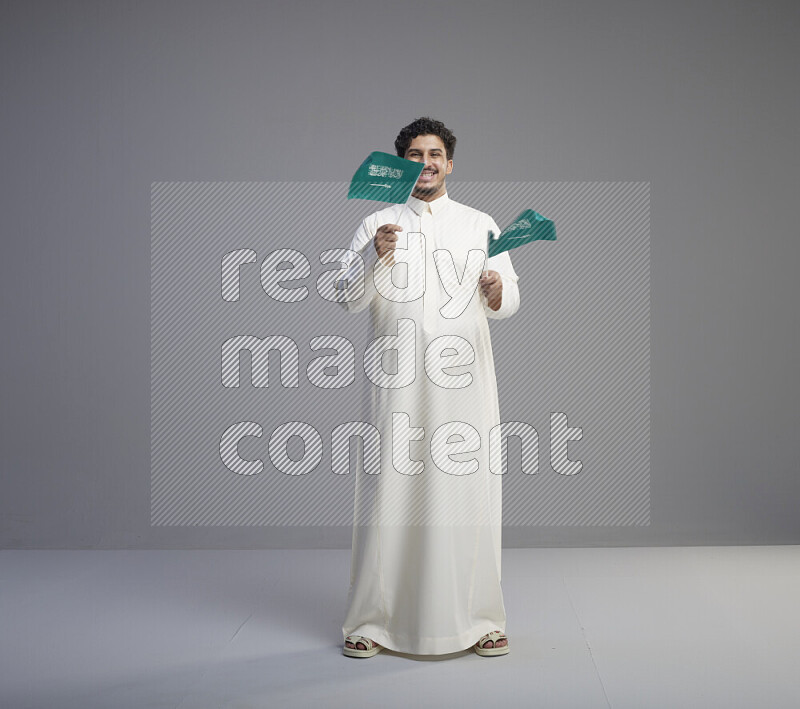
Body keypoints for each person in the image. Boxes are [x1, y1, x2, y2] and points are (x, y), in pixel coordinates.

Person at [337, 117, 519, 657]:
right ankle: (370, 623)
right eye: (414, 154)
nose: (426, 163)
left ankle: (481, 618)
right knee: (388, 493)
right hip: (396, 382)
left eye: (435, 153)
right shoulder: (377, 224)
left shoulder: (480, 224)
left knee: (468, 493)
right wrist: (376, 259)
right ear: (400, 164)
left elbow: (509, 302)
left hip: (464, 382)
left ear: (450, 162)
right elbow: (345, 297)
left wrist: (494, 291)